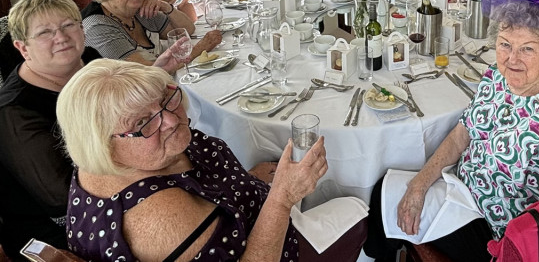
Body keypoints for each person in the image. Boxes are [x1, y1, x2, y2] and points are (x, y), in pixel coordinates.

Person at [58, 59, 366, 261]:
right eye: (143, 123)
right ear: (102, 144)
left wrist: (246, 179)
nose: (169, 120)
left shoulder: (113, 157)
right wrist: (283, 197)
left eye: (166, 99)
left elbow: (204, 192)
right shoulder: (159, 217)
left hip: (249, 213)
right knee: (361, 209)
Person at [364, 0, 539, 261]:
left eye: (527, 48)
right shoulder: (499, 75)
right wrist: (419, 186)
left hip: (499, 233)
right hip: (463, 189)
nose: (512, 59)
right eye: (505, 44)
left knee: (383, 204)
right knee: (389, 191)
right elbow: (462, 134)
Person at [0, 0, 187, 260]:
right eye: (44, 33)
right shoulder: (15, 112)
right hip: (61, 226)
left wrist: (157, 69)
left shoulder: (90, 59)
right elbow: (60, 195)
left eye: (68, 25)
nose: (61, 37)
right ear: (22, 47)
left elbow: (123, 114)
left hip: (123, 175)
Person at [82, 0, 220, 66]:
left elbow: (186, 30)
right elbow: (145, 71)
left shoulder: (136, 10)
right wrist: (199, 50)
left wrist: (165, 7)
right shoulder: (97, 26)